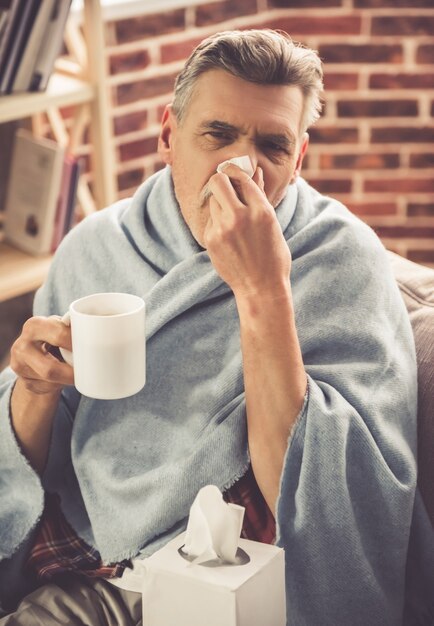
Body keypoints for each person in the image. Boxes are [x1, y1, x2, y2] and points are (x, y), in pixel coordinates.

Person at [0, 28, 432, 626]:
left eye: (273, 146)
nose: (242, 166)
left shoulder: (341, 258)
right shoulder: (93, 248)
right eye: (218, 134)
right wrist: (33, 389)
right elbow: (33, 468)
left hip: (245, 582)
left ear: (299, 158)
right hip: (92, 571)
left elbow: (331, 504)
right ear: (168, 135)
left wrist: (262, 290)